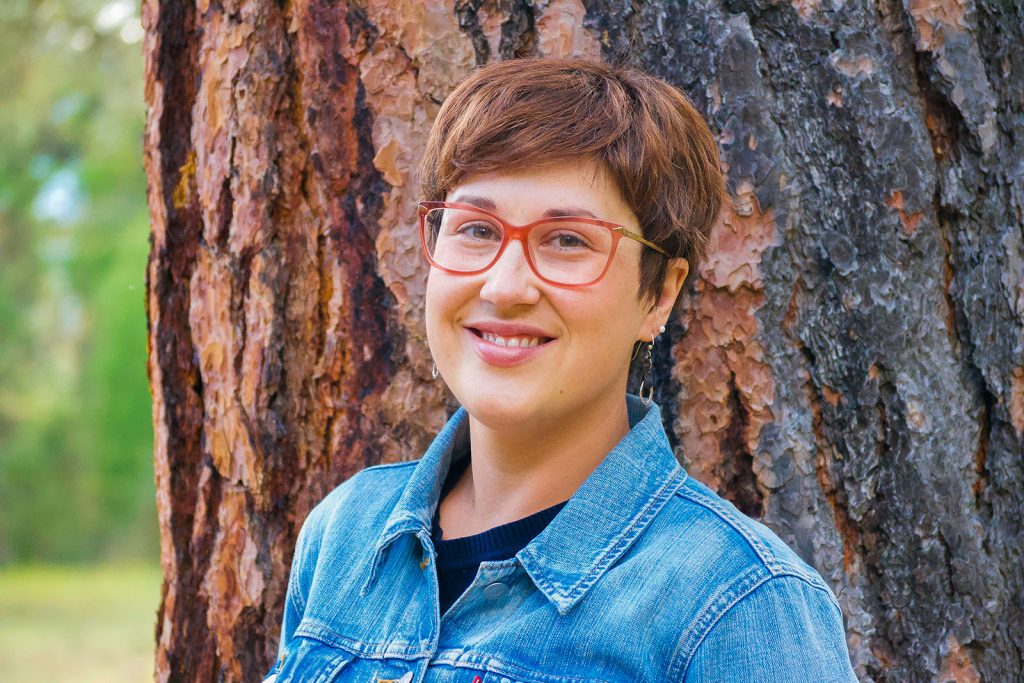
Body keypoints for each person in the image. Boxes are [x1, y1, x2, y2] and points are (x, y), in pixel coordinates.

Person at [265, 57, 857, 682]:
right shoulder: (347, 532)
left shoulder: (736, 604)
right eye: (475, 229)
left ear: (659, 295)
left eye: (568, 240)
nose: (505, 285)